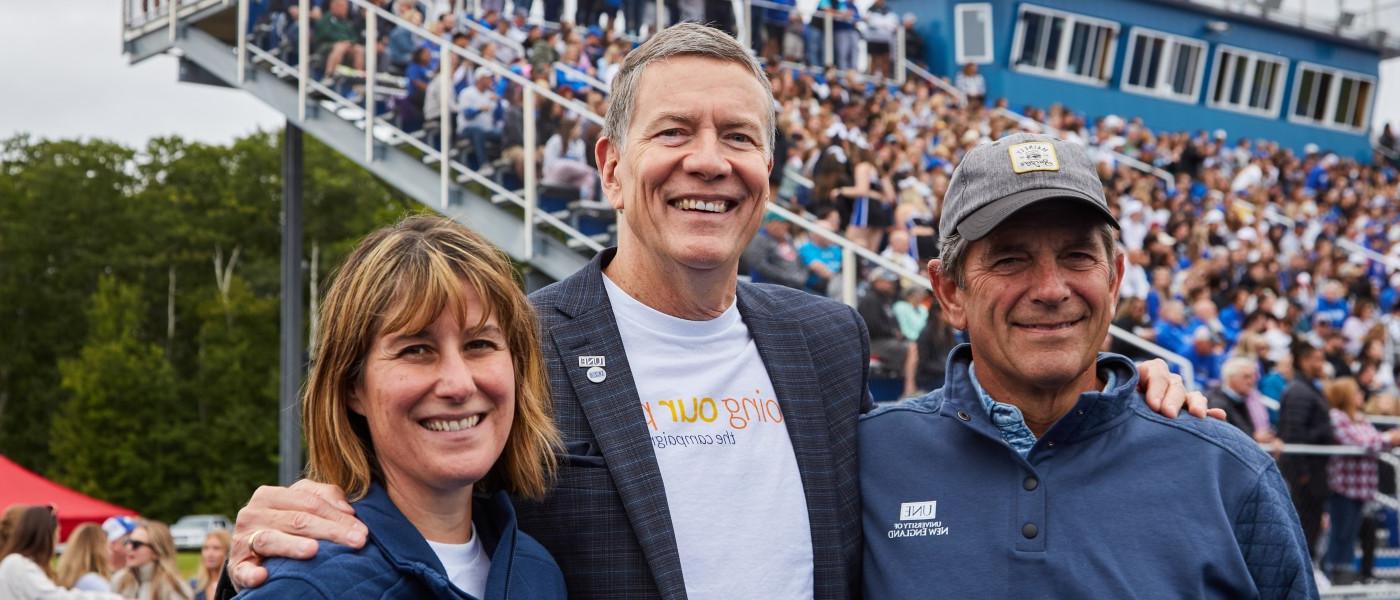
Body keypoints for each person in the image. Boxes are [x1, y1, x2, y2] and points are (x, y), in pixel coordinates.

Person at [220, 24, 1208, 600]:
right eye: (673, 131)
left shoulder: (824, 340)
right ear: (609, 165)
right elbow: (412, 502)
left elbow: (961, 446)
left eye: (736, 135)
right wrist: (271, 532)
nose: (708, 159)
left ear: (766, 176)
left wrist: (1121, 393)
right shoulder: (516, 347)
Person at [860, 133, 1314, 598]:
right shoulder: (867, 458)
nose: (1052, 289)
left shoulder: (1228, 470)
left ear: (1114, 279)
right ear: (950, 292)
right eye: (1011, 259)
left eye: (1077, 256)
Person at [234, 217, 565, 599]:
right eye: (416, 350)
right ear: (351, 387)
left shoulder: (538, 573)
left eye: (479, 345)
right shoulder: (307, 587)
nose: (458, 385)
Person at [1323, 377, 1398, 583]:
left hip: (1363, 488)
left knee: (1354, 533)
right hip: (1345, 486)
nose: (1360, 395)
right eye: (1355, 391)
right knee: (1340, 534)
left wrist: (1386, 439)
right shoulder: (1336, 416)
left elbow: (1373, 439)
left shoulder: (1359, 417)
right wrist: (1390, 438)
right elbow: (1359, 442)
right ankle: (1333, 575)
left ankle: (1345, 576)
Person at [1280, 341, 1335, 558]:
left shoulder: (1309, 388)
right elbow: (1294, 434)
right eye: (1317, 359)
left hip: (1314, 470)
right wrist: (1302, 473)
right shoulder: (1299, 391)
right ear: (1304, 360)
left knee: (1313, 522)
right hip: (1305, 473)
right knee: (1305, 521)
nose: (1321, 364)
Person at [0, 505, 122, 599]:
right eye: (57, 534)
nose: (58, 540)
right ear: (46, 537)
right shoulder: (17, 564)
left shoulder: (20, 564)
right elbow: (56, 597)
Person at [1207, 356, 1283, 455]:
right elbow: (1224, 436)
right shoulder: (1216, 402)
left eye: (1253, 377)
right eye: (1246, 377)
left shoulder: (1243, 399)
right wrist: (1254, 437)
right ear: (1231, 378)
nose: (1251, 381)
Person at [111, 521, 192, 600]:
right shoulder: (120, 580)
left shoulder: (173, 587)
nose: (129, 548)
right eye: (127, 542)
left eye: (136, 544)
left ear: (156, 552)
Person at [55, 522, 116, 592]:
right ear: (99, 550)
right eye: (109, 547)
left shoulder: (68, 580)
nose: (110, 552)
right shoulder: (93, 583)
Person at [191, 530, 229, 600]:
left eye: (216, 548)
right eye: (206, 548)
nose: (210, 554)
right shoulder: (193, 585)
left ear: (227, 552)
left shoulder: (235, 587)